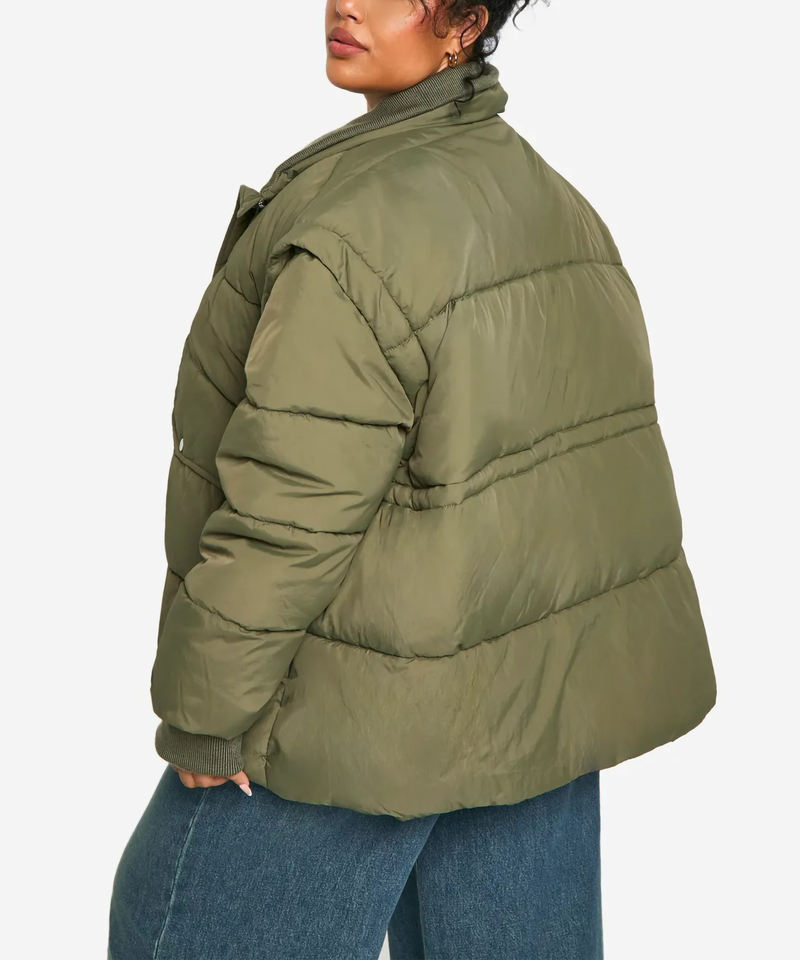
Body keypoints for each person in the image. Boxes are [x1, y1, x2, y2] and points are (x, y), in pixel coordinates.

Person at [107, 1, 717, 957]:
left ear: (466, 22)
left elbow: (288, 506)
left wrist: (205, 712)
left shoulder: (356, 232)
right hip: (533, 711)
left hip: (352, 711)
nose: (346, 4)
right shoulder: (552, 202)